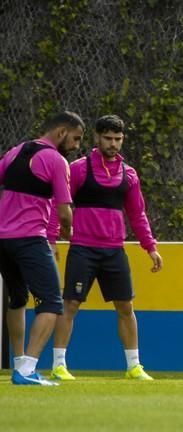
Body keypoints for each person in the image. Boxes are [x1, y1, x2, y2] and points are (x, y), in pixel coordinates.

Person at [47, 114, 163, 381]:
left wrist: (151, 247)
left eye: (118, 139)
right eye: (108, 138)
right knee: (70, 304)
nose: (113, 143)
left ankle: (134, 366)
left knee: (126, 307)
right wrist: (51, 239)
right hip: (83, 248)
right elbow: (58, 205)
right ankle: (59, 365)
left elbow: (138, 215)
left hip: (114, 251)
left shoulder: (129, 174)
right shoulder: (77, 169)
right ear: (97, 138)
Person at [0, 111, 85, 385]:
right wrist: (69, 232)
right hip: (29, 240)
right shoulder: (56, 161)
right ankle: (26, 371)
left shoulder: (15, 152)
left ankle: (18, 362)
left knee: (18, 299)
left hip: (3, 239)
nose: (76, 146)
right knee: (51, 302)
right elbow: (64, 212)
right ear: (61, 133)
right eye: (75, 139)